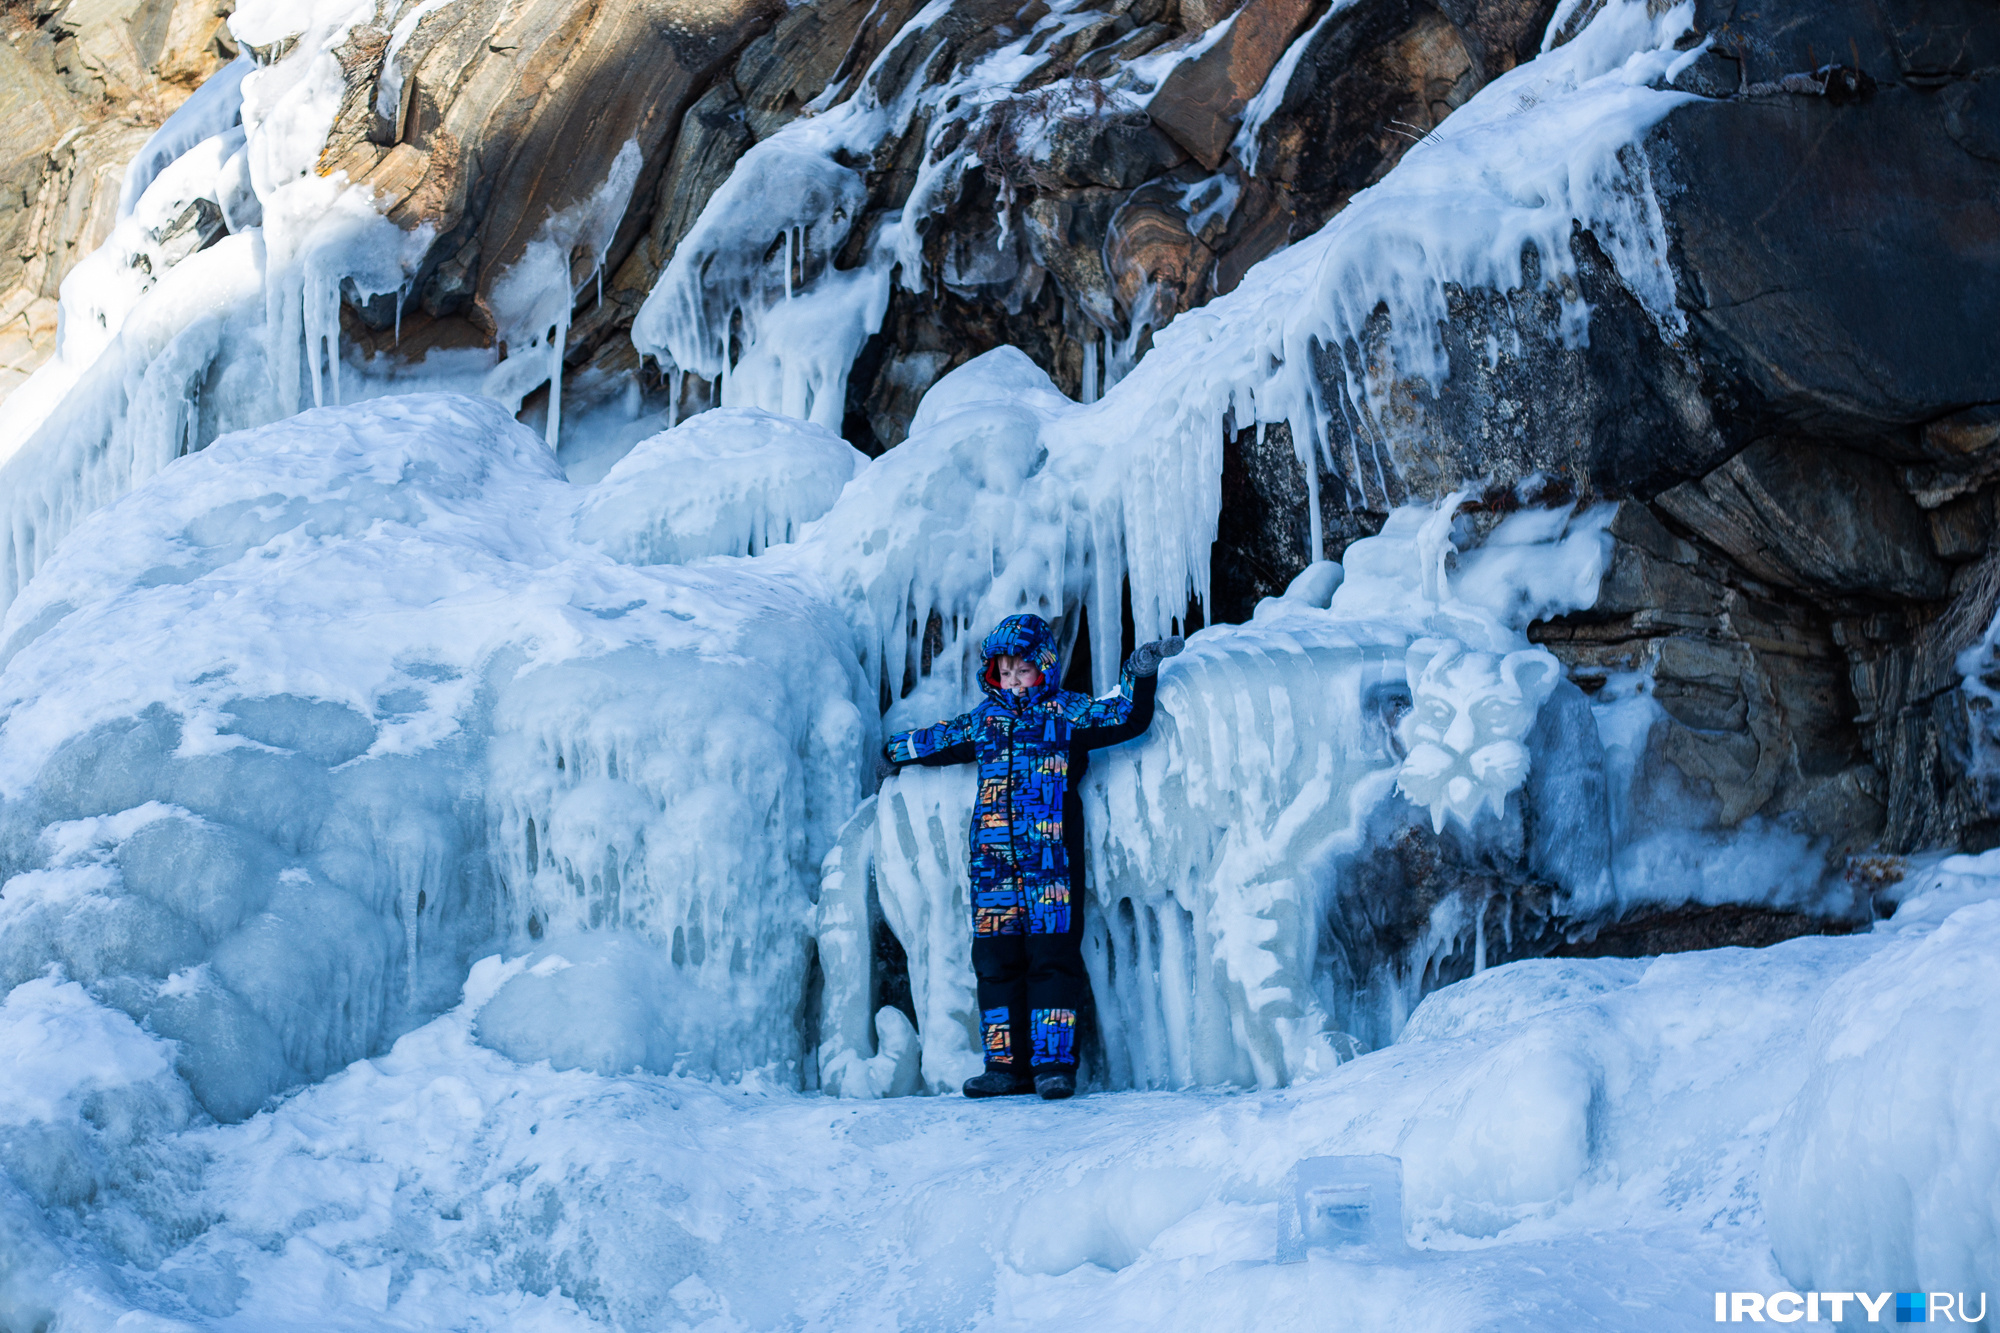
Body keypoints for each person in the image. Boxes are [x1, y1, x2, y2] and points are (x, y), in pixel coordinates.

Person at [880, 613, 1182, 1100]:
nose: (1014, 680)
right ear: (993, 673)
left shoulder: (1068, 714)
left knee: (1052, 962)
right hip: (993, 867)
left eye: (1023, 670)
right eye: (1005, 671)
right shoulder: (985, 721)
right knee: (995, 965)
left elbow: (1127, 715)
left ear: (1043, 667)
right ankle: (1004, 1067)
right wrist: (894, 751)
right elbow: (938, 740)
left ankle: (1052, 1067)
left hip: (1051, 867)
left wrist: (1139, 672)